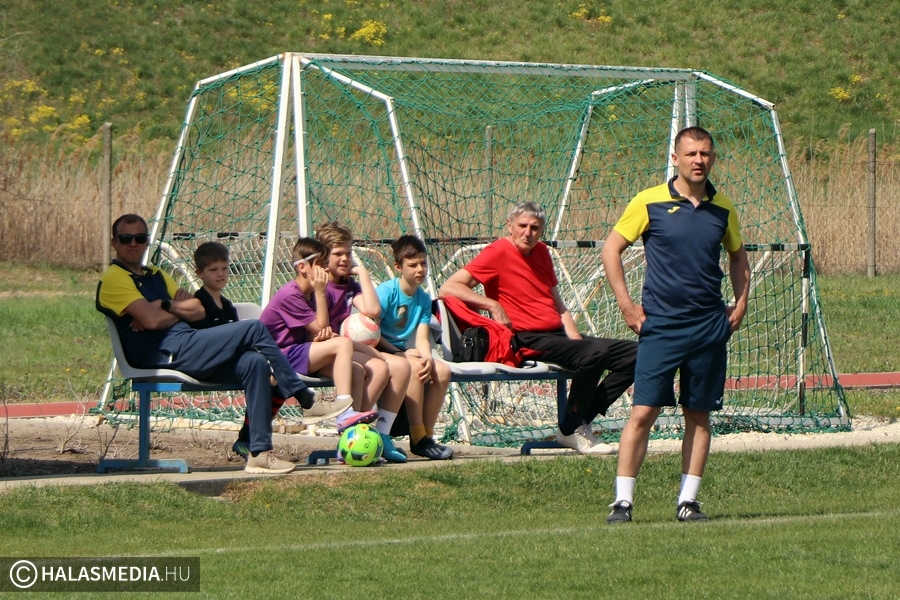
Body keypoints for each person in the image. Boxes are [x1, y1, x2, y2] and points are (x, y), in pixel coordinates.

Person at [601, 126, 751, 524]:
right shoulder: (648, 201)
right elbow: (611, 249)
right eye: (691, 154)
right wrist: (627, 306)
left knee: (699, 414)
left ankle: (688, 502)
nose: (698, 160)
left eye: (705, 154)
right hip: (662, 326)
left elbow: (738, 256)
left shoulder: (723, 207)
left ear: (712, 158)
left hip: (708, 326)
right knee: (643, 412)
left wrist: (740, 304)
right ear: (675, 158)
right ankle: (622, 502)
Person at [96, 214, 315, 475]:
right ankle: (300, 392)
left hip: (188, 344)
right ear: (114, 242)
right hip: (164, 354)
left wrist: (162, 305)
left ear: (147, 241)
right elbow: (153, 321)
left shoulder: (156, 274)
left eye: (140, 238)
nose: (134, 243)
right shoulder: (114, 278)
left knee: (254, 362)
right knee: (253, 328)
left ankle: (258, 453)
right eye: (126, 239)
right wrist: (168, 311)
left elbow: (197, 310)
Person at [439, 202, 637, 455]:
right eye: (522, 226)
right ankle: (572, 429)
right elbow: (450, 287)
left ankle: (578, 423)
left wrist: (576, 340)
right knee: (595, 352)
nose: (527, 233)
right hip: (525, 339)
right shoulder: (497, 251)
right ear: (509, 226)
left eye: (534, 228)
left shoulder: (542, 251)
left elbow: (559, 305)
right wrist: (493, 305)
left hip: (556, 335)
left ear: (542, 231)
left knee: (636, 354)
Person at [188, 240, 347, 460]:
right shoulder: (197, 303)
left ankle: (248, 441)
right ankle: (303, 400)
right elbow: (204, 344)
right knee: (263, 362)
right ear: (200, 273)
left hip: (245, 361)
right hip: (208, 365)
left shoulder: (227, 306)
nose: (221, 274)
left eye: (224, 268)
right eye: (213, 270)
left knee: (265, 370)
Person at [317, 221, 411, 463]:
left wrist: (363, 274)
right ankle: (355, 435)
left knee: (401, 366)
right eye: (338, 254)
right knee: (377, 367)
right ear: (323, 256)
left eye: (348, 253)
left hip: (348, 348)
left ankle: (382, 435)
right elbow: (320, 331)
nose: (345, 259)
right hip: (330, 350)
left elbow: (373, 310)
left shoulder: (349, 285)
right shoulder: (320, 287)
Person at [376, 235, 454, 460]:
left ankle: (427, 436)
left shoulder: (423, 298)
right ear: (398, 267)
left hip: (405, 352)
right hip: (382, 350)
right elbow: (372, 333)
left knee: (442, 371)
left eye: (423, 263)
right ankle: (417, 437)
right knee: (415, 367)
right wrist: (399, 352)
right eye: (413, 265)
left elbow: (421, 337)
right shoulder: (387, 292)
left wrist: (427, 356)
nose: (420, 269)